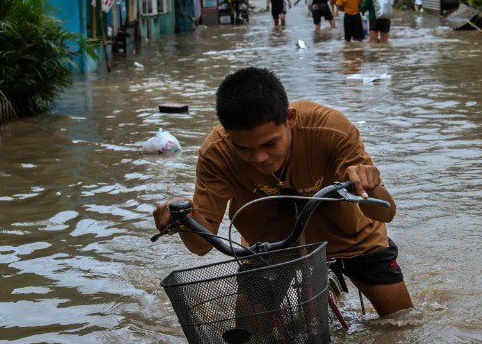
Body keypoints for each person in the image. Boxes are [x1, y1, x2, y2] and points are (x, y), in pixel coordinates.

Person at [154, 68, 413, 317]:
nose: (260, 157)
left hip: (351, 237)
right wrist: (182, 216)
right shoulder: (216, 153)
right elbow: (201, 246)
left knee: (401, 320)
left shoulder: (331, 129)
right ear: (228, 135)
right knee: (250, 338)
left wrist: (372, 186)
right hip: (270, 246)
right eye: (243, 149)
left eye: (270, 143)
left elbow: (385, 214)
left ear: (290, 118)